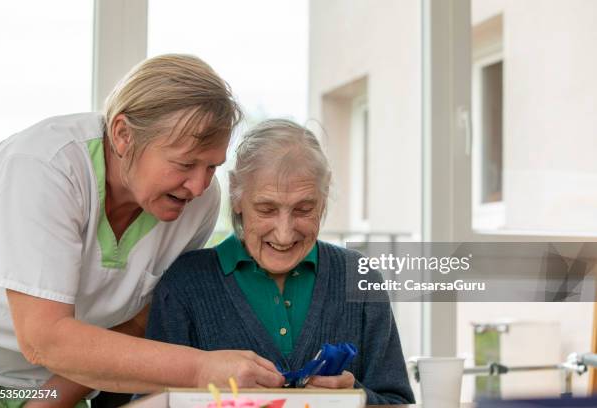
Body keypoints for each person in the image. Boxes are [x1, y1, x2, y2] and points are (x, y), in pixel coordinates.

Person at [0, 54, 284, 407]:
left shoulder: (198, 203)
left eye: (212, 166)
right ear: (123, 135)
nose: (199, 185)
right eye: (186, 163)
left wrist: (46, 401)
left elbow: (139, 318)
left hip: (53, 384)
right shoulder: (45, 168)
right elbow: (44, 338)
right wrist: (201, 369)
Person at [145, 119, 415, 405]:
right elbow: (150, 401)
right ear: (237, 195)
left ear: (323, 199)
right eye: (266, 209)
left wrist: (355, 399)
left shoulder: (360, 278)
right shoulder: (185, 283)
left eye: (303, 209)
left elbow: (397, 401)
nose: (284, 234)